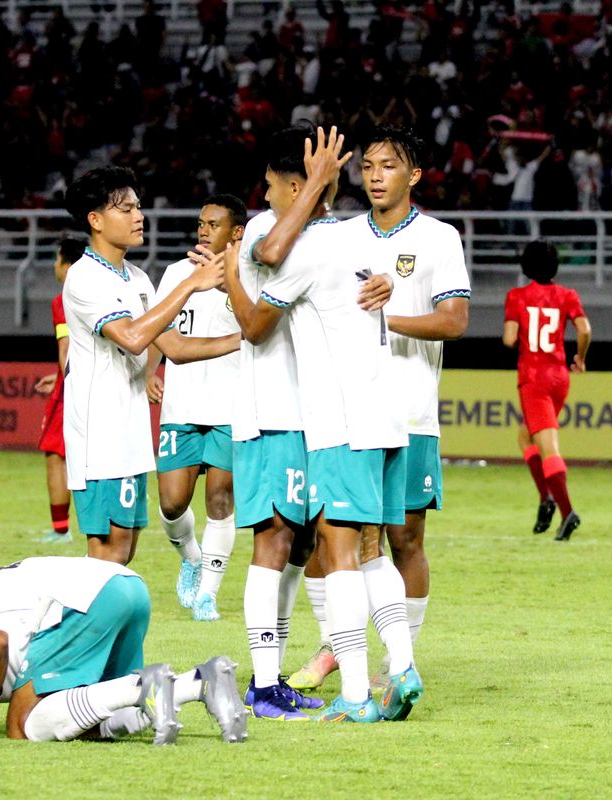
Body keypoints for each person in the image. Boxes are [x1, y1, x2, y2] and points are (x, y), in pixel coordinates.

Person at [227, 125, 419, 724]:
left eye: (269, 185)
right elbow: (269, 249)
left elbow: (257, 315)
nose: (263, 196)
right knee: (350, 547)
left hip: (335, 421)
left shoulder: (304, 241)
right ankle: (396, 666)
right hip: (358, 417)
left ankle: (357, 693)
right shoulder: (347, 237)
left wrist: (225, 275)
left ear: (294, 184)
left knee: (333, 550)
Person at [288, 125, 470, 696]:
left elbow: (454, 322)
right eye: (367, 166)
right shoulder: (339, 237)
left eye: (388, 166)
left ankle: (398, 661)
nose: (374, 175)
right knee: (331, 532)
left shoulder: (440, 238)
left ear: (412, 176)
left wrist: (386, 319)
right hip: (343, 411)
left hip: (410, 411)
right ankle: (334, 647)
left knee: (403, 536)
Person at [60, 166, 239, 566]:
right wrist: (191, 284)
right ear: (96, 220)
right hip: (98, 436)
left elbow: (172, 346)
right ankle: (62, 625)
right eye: (126, 209)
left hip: (131, 433)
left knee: (123, 553)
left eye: (138, 207)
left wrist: (244, 338)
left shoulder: (137, 278)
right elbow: (133, 337)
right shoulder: (84, 277)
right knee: (106, 555)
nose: (139, 216)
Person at [0, 556, 247, 745]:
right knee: (92, 716)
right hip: (127, 588)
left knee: (22, 727)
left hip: (83, 600)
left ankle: (145, 688)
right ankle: (201, 682)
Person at [144, 194, 246, 622]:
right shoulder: (175, 273)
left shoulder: (249, 276)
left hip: (231, 404)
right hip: (182, 404)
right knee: (170, 503)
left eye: (213, 224)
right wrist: (153, 366)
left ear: (236, 233)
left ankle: (208, 593)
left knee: (220, 499)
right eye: (201, 222)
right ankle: (191, 556)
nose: (203, 230)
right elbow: (160, 324)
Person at [503, 240, 591, 541]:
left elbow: (509, 338)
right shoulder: (567, 295)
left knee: (548, 446)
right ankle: (547, 498)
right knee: (525, 435)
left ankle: (567, 512)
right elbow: (584, 329)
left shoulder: (517, 296)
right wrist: (579, 357)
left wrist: (518, 339)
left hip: (534, 377)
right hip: (559, 376)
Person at [33, 236, 88, 544]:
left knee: (55, 454)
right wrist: (57, 376)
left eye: (57, 260)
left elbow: (66, 349)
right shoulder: (97, 293)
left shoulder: (64, 299)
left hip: (75, 390)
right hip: (93, 382)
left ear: (68, 265)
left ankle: (60, 530)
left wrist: (66, 378)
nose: (55, 266)